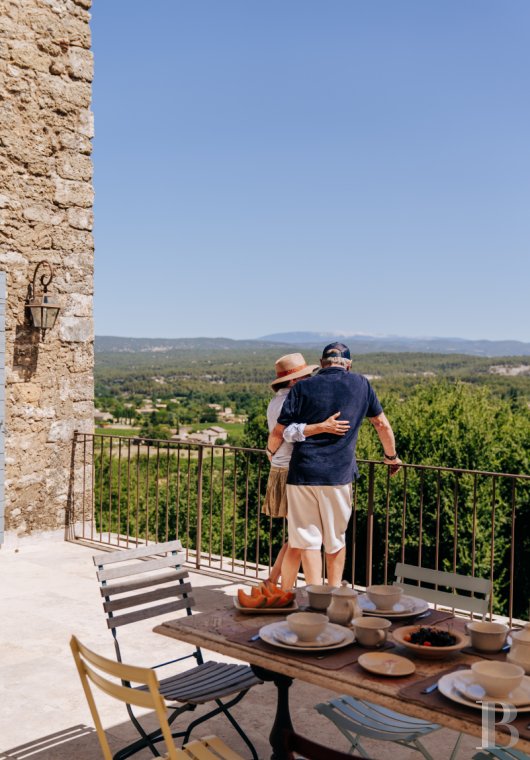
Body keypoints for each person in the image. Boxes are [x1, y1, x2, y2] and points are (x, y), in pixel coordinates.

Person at [268, 342, 402, 588]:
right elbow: (381, 424)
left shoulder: (302, 387)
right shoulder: (361, 384)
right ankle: (332, 593)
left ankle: (313, 596)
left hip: (301, 474)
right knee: (335, 540)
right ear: (348, 365)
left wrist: (270, 452)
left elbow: (280, 430)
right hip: (337, 475)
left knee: (306, 541)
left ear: (321, 364)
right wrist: (391, 457)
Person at [262, 352, 350, 590]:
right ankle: (296, 590)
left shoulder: (276, 401)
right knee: (302, 538)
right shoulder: (292, 401)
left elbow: (275, 437)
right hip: (293, 470)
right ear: (293, 381)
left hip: (281, 468)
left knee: (297, 537)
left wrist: (269, 452)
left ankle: (277, 586)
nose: (311, 379)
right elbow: (284, 432)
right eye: (305, 376)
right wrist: (323, 426)